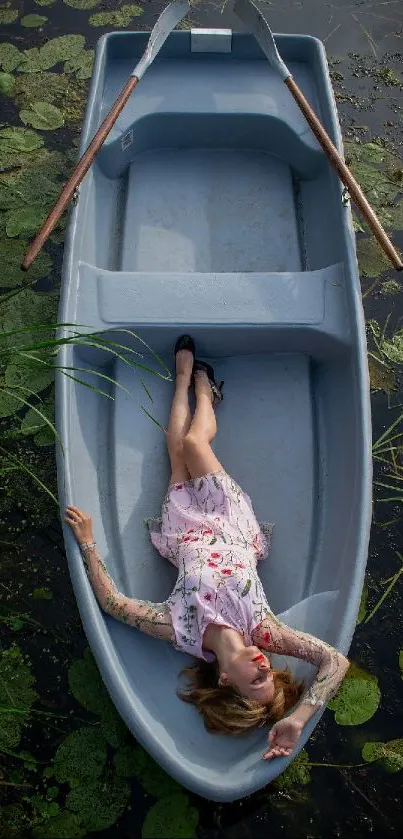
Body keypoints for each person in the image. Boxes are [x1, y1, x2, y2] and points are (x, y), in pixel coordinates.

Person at [65, 335, 350, 761]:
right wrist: (298, 718)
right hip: (230, 517)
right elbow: (335, 662)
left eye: (256, 679)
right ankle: (205, 390)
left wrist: (88, 542)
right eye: (267, 672)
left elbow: (112, 604)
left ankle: (182, 381)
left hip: (184, 528)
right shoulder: (263, 630)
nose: (262, 665)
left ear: (223, 681)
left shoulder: (179, 630)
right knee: (196, 446)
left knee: (175, 448)